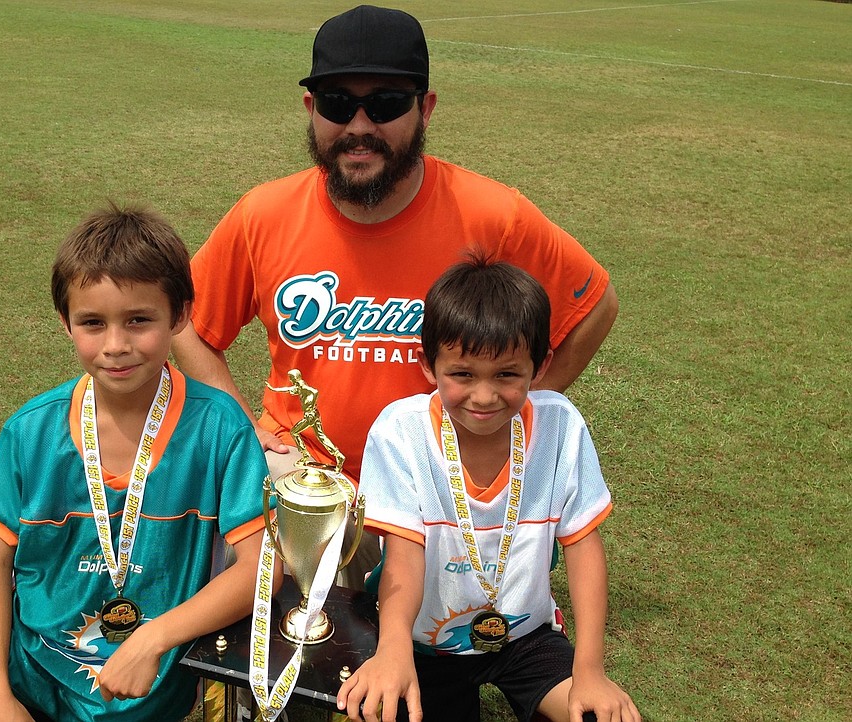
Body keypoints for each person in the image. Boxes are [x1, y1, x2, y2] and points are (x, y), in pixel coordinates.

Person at [173, 5, 619, 525]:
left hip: (439, 483)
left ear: (425, 109)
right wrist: (249, 432)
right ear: (310, 108)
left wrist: (510, 411)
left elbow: (594, 305)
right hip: (304, 485)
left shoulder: (493, 216)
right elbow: (188, 323)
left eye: (385, 104)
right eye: (338, 104)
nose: (359, 127)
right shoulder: (264, 214)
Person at [0, 203, 279, 722]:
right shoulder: (30, 431)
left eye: (138, 320)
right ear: (66, 323)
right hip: (27, 661)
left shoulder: (219, 429)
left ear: (179, 316)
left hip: (139, 685)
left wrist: (155, 637)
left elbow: (261, 570)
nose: (115, 345)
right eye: (93, 322)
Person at [335, 258, 640, 722]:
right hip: (424, 644)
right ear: (427, 363)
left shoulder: (560, 426)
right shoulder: (400, 432)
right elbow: (404, 554)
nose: (483, 396)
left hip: (526, 637)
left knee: (598, 715)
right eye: (462, 374)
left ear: (540, 367)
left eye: (506, 375)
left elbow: (582, 547)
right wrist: (393, 647)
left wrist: (590, 669)